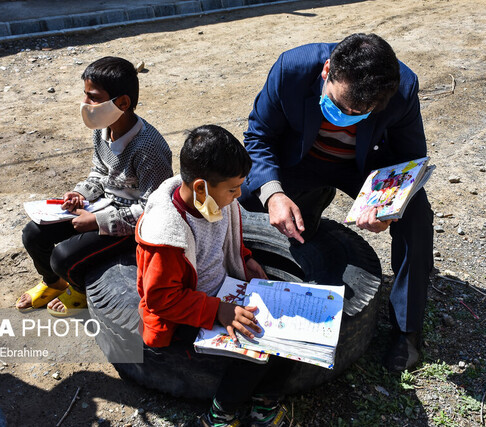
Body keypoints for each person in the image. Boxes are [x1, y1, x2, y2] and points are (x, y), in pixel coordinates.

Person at [239, 33, 434, 372]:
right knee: (243, 197)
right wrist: (274, 194)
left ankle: (407, 329)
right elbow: (259, 136)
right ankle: (306, 201)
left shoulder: (402, 89)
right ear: (327, 69)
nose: (345, 115)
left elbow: (409, 159)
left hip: (364, 169)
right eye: (339, 104)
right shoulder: (292, 68)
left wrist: (385, 205)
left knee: (417, 215)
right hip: (299, 161)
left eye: (360, 112)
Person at [136, 125, 290, 426]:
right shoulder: (165, 233)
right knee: (254, 349)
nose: (239, 195)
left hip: (223, 292)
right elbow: (161, 300)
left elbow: (226, 239)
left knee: (284, 337)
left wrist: (245, 258)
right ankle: (218, 417)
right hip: (183, 314)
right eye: (233, 189)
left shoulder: (214, 201)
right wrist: (217, 310)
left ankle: (265, 404)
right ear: (201, 188)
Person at [16, 56, 173, 316]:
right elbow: (99, 172)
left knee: (63, 257)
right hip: (100, 207)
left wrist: (98, 222)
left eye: (93, 97)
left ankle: (78, 290)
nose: (85, 104)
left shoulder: (148, 148)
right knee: (33, 234)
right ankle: (54, 283)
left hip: (129, 227)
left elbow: (153, 210)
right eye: (85, 95)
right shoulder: (102, 128)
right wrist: (80, 194)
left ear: (122, 103)